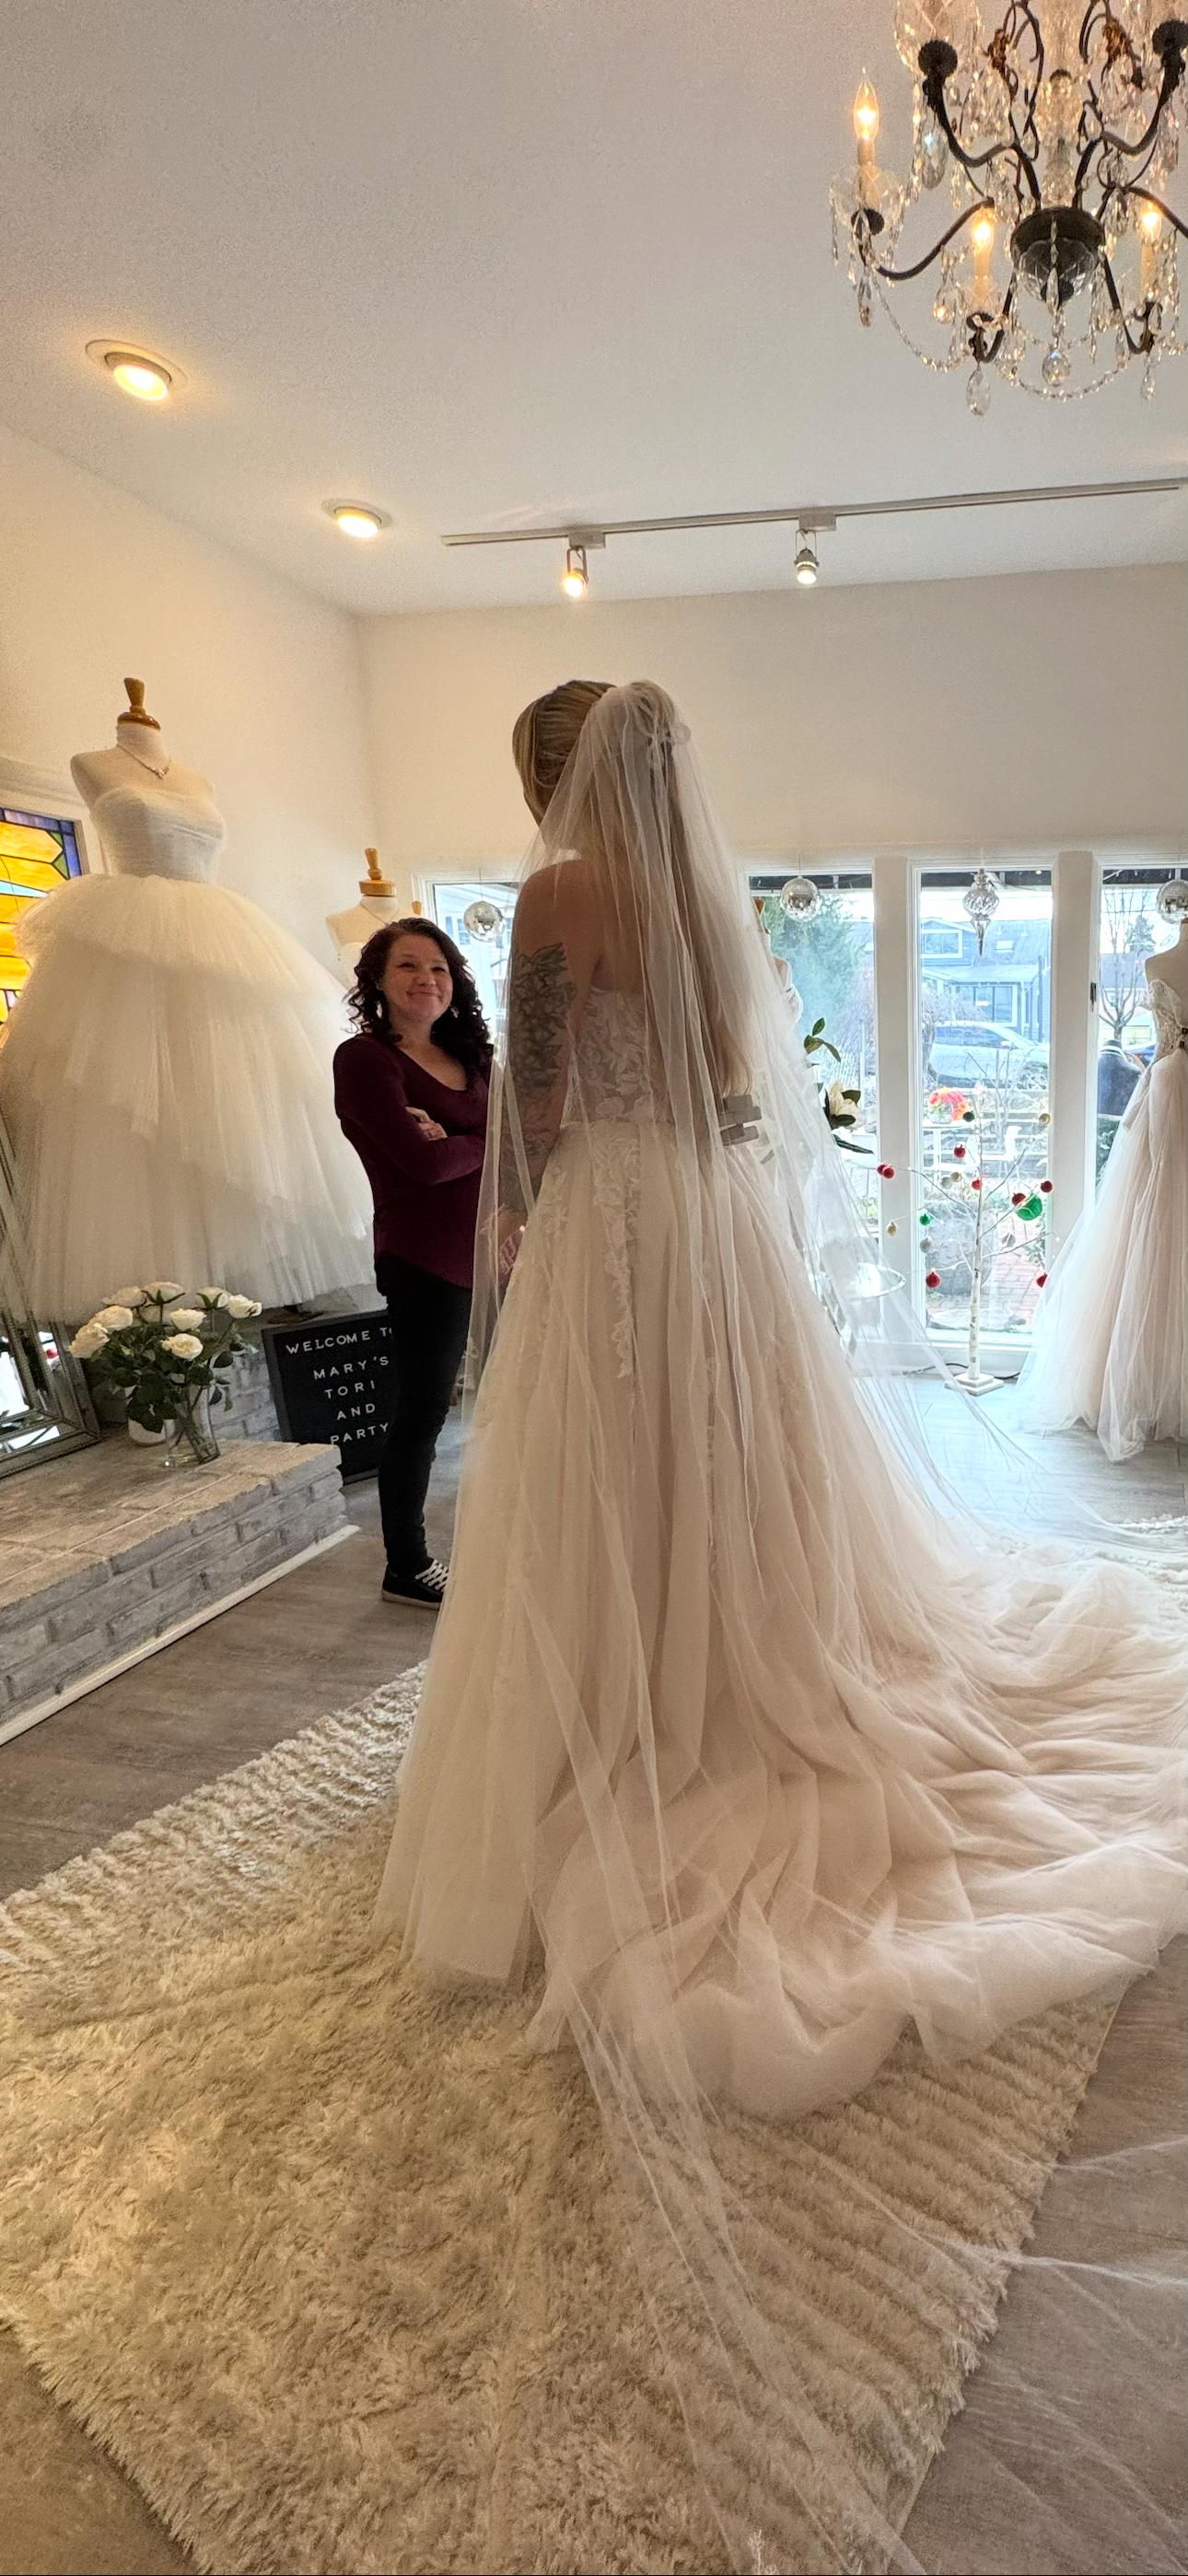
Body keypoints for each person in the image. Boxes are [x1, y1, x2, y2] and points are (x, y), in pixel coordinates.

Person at [376, 682, 1185, 2569]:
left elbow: (541, 1096)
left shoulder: (557, 890)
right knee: (733, 1480)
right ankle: (727, 1669)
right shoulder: (702, 893)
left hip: (615, 1227)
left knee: (600, 1483)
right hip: (716, 1224)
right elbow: (739, 1093)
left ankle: (630, 1716)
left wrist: (520, 1218)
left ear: (548, 776)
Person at [333, 919, 491, 1607]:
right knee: (424, 1415)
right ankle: (407, 1563)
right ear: (377, 979)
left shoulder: (473, 1058)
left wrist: (457, 1136)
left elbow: (523, 1144)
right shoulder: (366, 1060)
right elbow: (422, 1167)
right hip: (424, 1259)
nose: (426, 979)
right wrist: (482, 1138)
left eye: (439, 968)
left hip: (497, 1251)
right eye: (408, 966)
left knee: (518, 1400)